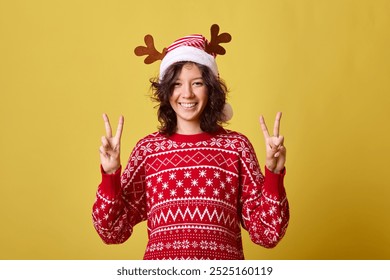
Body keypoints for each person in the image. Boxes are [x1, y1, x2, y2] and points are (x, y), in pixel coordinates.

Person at [92, 25, 289, 260]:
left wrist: (274, 175)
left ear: (211, 89)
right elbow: (112, 231)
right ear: (165, 91)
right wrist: (110, 174)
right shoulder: (148, 151)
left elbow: (267, 233)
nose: (187, 93)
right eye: (176, 83)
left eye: (197, 83)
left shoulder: (236, 147)